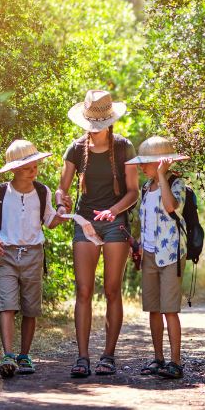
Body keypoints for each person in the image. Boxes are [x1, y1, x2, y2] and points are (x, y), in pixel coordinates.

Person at [57, 90, 138, 378]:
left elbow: (132, 192)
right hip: (85, 222)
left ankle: (108, 355)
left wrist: (114, 212)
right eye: (92, 123)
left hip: (115, 223)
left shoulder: (124, 147)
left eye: (100, 123)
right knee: (83, 290)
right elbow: (62, 188)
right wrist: (60, 202)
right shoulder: (76, 149)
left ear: (110, 121)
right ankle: (82, 358)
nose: (96, 129)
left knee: (112, 290)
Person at [0, 139, 67, 378]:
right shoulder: (0, 192)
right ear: (14, 170)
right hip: (6, 254)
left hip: (33, 254)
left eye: (35, 166)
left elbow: (50, 222)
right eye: (28, 167)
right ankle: (8, 355)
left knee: (31, 308)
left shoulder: (42, 191)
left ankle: (24, 355)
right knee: (7, 305)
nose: (34, 170)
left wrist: (62, 214)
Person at [126, 136, 191, 380]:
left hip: (171, 254)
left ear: (161, 163)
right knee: (153, 309)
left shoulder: (176, 184)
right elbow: (146, 222)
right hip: (150, 254)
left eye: (147, 163)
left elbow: (171, 207)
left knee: (169, 310)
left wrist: (163, 176)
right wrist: (141, 247)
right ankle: (158, 358)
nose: (142, 167)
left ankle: (175, 361)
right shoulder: (145, 188)